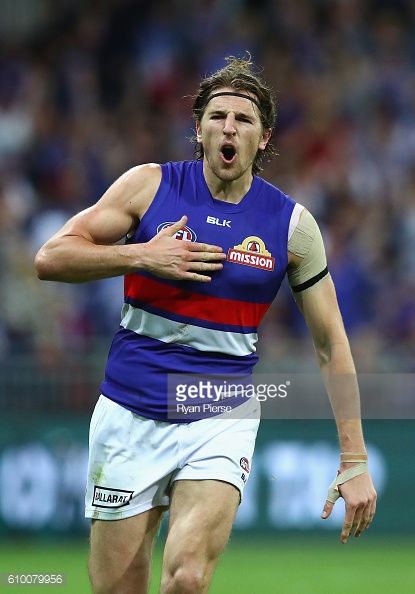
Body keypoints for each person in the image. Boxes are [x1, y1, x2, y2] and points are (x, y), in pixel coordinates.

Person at [35, 55, 377, 594]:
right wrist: (142, 256)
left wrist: (354, 457)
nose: (229, 128)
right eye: (217, 116)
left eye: (243, 120)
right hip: (129, 407)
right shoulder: (148, 186)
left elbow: (332, 342)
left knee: (188, 578)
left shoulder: (292, 226)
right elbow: (51, 258)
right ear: (198, 128)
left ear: (263, 139)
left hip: (220, 410)